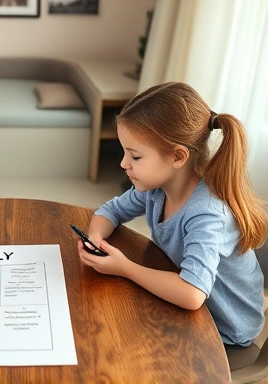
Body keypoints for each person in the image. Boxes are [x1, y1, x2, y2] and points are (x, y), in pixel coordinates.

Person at [77, 82, 268, 369]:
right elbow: (110, 211)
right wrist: (95, 239)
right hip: (190, 304)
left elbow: (191, 294)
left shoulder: (206, 215)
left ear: (178, 157)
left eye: (135, 156)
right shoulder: (156, 188)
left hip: (225, 332)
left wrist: (124, 267)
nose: (123, 164)